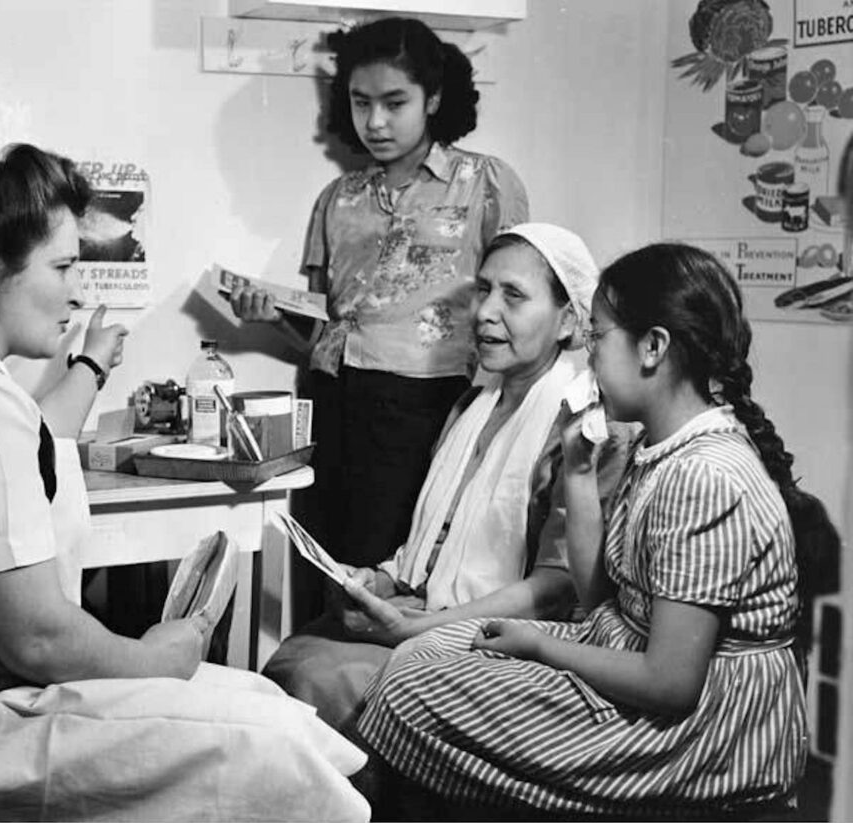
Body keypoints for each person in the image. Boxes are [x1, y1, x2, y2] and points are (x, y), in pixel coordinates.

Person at [0, 144, 370, 822]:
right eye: (61, 266)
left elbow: (36, 441)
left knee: (269, 709)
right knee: (270, 749)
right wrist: (158, 658)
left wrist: (89, 359)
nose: (77, 288)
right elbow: (37, 641)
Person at [354, 242, 837, 819]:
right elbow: (598, 599)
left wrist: (540, 645)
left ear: (653, 347)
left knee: (411, 694)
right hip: (629, 653)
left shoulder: (706, 475)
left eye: (599, 335)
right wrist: (579, 473)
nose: (587, 351)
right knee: (422, 651)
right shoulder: (660, 447)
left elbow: (669, 683)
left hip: (706, 731)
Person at [262, 223, 634, 732]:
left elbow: (555, 590)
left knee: (318, 681)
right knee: (293, 662)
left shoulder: (583, 429)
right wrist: (382, 580)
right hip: (426, 608)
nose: (484, 311)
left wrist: (416, 626)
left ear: (568, 320)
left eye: (514, 296)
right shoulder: (471, 405)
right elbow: (436, 541)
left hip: (510, 635)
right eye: (483, 289)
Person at [229, 18, 530, 595]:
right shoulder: (338, 198)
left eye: (395, 103)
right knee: (319, 564)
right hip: (332, 400)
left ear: (434, 98)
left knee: (389, 576)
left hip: (427, 404)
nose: (375, 122)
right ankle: (309, 683)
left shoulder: (485, 183)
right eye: (361, 103)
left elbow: (519, 299)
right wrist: (270, 316)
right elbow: (326, 328)